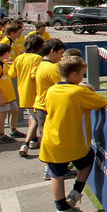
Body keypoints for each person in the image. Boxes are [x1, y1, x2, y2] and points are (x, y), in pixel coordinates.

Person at [40, 55, 107, 212]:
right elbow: (101, 102)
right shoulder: (78, 92)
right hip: (73, 142)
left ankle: (61, 210)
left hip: (51, 141)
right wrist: (88, 89)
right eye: (82, 74)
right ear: (75, 75)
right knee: (87, 162)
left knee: (56, 175)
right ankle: (76, 192)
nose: (83, 78)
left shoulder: (51, 90)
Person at [34, 38, 67, 180]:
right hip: (47, 107)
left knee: (46, 137)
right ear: (52, 51)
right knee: (52, 139)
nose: (61, 57)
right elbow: (66, 84)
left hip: (41, 105)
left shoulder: (41, 64)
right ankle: (51, 169)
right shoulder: (52, 68)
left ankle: (51, 167)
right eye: (60, 53)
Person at [12, 34, 45, 156]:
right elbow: (33, 76)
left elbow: (12, 73)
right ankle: (26, 143)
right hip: (34, 93)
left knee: (32, 116)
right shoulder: (37, 59)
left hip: (22, 92)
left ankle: (33, 139)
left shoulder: (19, 58)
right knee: (35, 118)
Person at [0, 43, 23, 143]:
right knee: (2, 114)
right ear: (6, 53)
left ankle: (13, 130)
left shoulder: (3, 63)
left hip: (9, 95)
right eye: (9, 52)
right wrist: (0, 97)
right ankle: (1, 135)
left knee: (15, 111)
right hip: (2, 95)